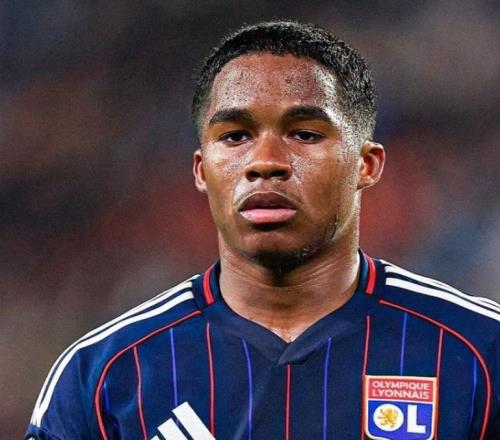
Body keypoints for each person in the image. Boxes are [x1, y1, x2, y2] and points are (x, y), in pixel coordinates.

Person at [26, 20, 499, 440]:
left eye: (305, 134)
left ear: (366, 164)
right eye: (235, 136)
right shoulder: (104, 376)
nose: (265, 162)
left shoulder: (481, 351)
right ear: (201, 170)